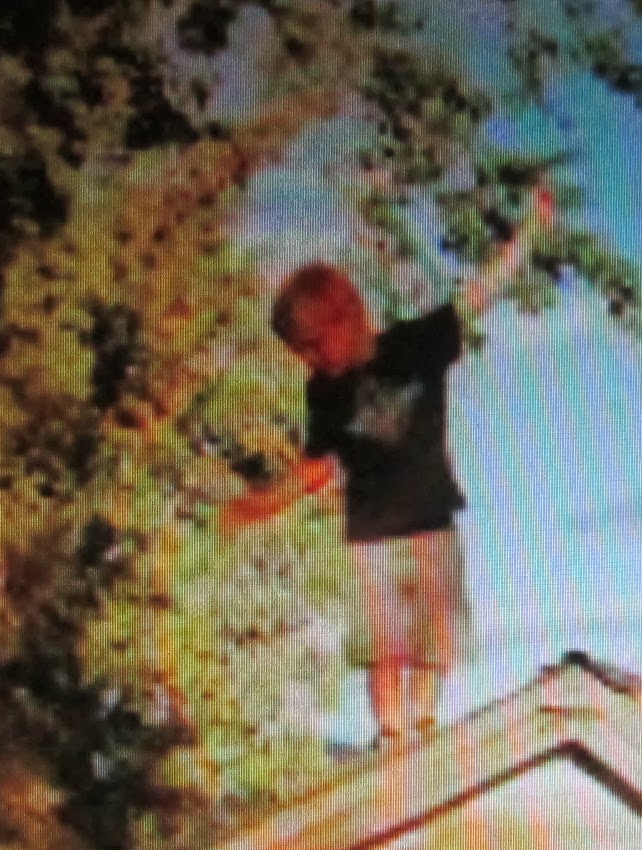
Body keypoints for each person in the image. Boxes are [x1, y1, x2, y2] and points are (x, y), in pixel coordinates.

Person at [223, 184, 556, 751]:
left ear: (348, 315)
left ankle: (424, 725)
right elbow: (320, 463)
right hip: (373, 526)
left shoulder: (415, 345)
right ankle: (390, 734)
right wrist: (265, 501)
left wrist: (527, 237)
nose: (310, 362)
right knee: (384, 636)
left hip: (429, 513)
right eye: (300, 355)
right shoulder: (324, 392)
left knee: (435, 629)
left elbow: (477, 296)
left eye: (313, 346)